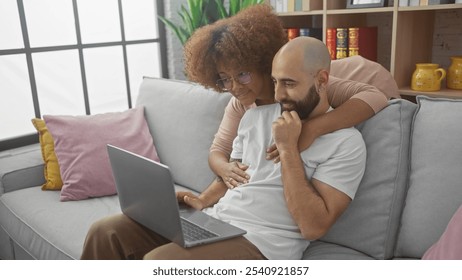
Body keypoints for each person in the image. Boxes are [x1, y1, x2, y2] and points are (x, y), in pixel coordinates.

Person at [80, 36, 366, 260]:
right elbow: (234, 175)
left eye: (289, 84)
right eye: (276, 82)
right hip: (217, 222)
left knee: (160, 261)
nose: (279, 95)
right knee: (106, 232)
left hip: (263, 245)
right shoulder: (254, 115)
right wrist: (202, 200)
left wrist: (289, 148)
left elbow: (313, 227)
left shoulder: (346, 143)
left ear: (322, 80)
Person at [182, 4, 387, 193]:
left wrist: (312, 129)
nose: (234, 87)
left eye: (243, 74)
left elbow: (375, 96)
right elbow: (218, 149)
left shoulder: (303, 86)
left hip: (372, 75)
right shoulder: (240, 104)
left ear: (263, 63)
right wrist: (225, 168)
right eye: (225, 79)